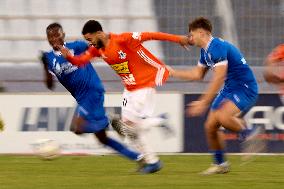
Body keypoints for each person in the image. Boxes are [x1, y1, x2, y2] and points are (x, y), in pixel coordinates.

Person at [58, 20, 190, 173]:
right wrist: (69, 57)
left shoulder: (123, 39)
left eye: (90, 39)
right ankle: (154, 156)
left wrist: (178, 39)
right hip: (129, 89)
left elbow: (151, 35)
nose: (90, 43)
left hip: (144, 85)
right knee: (129, 131)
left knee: (128, 126)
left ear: (99, 33)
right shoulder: (96, 49)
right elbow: (81, 61)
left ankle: (156, 131)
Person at [40, 22, 145, 172]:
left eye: (57, 35)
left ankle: (111, 120)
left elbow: (99, 48)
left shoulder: (78, 46)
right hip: (81, 98)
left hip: (92, 90)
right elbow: (50, 85)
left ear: (63, 35)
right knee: (102, 139)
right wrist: (44, 66)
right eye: (50, 36)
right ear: (47, 39)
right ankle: (138, 157)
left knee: (77, 127)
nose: (54, 39)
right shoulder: (49, 58)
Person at [168, 17, 259, 175]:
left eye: (192, 34)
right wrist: (173, 72)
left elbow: (219, 77)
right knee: (210, 126)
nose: (190, 38)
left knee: (223, 116)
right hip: (230, 89)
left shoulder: (216, 47)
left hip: (244, 87)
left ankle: (250, 134)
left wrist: (203, 102)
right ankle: (220, 165)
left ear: (202, 33)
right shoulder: (205, 52)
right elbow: (197, 75)